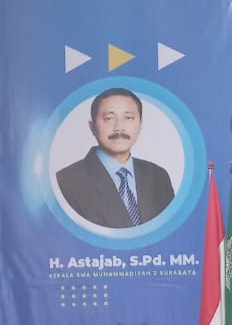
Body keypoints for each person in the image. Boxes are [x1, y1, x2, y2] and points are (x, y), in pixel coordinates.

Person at [56, 87, 175, 229]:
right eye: (109, 118)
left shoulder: (159, 176)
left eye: (128, 118)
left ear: (140, 124)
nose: (119, 128)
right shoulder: (66, 182)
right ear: (92, 127)